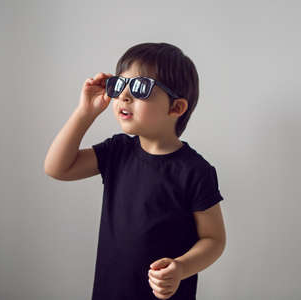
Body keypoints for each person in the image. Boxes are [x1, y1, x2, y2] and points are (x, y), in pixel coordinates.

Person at [44, 42, 226, 300]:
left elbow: (213, 239)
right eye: (120, 85)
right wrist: (85, 112)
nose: (124, 96)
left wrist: (182, 267)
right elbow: (57, 168)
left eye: (140, 88)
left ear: (176, 108)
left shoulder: (195, 171)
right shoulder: (117, 151)